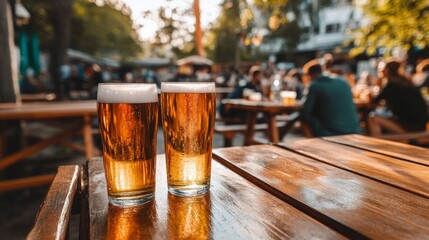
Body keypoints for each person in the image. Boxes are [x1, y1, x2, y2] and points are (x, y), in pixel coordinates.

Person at [299, 60, 361, 137]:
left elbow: (305, 112)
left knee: (303, 118)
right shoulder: (342, 81)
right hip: (355, 129)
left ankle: (312, 145)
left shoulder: (314, 85)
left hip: (332, 132)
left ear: (309, 75)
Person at [368, 59, 428, 135]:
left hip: (410, 127)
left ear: (386, 70)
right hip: (420, 125)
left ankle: (378, 143)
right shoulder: (406, 82)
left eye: (381, 70)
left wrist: (376, 86)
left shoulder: (391, 85)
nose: (379, 72)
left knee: (372, 118)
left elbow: (373, 102)